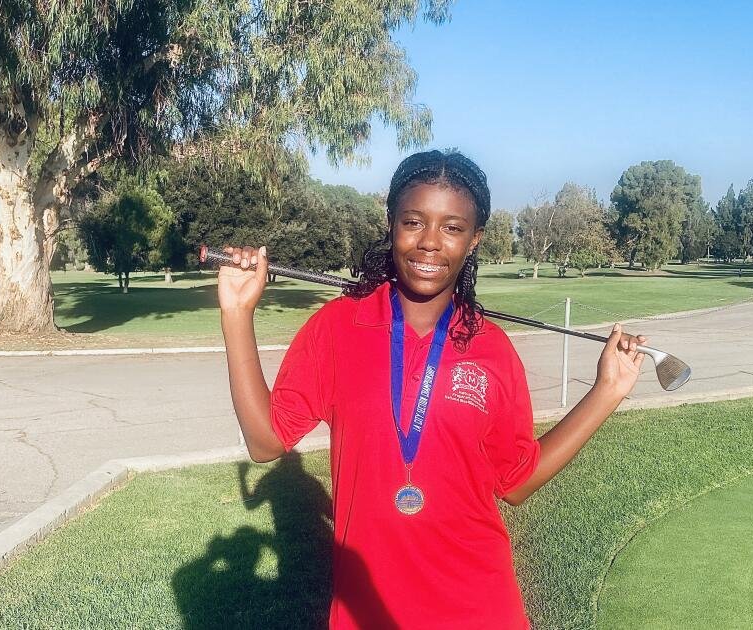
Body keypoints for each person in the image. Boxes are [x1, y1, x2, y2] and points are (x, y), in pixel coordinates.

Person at [218, 149, 646, 629]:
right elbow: (264, 441)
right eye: (414, 222)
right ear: (392, 225)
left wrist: (606, 391)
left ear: (474, 240)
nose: (429, 243)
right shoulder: (338, 328)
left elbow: (517, 481)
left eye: (452, 228)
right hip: (368, 612)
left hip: (480, 606)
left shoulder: (493, 349)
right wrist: (237, 314)